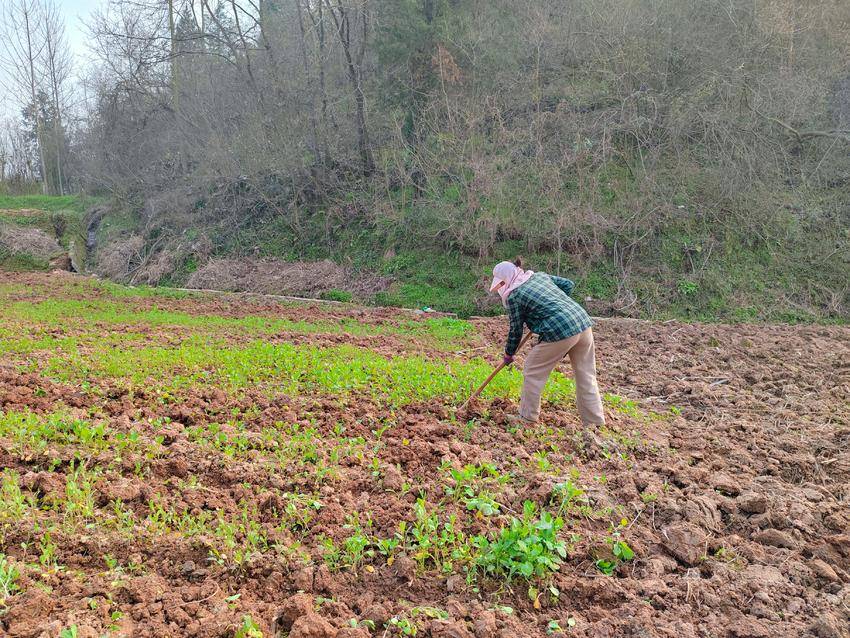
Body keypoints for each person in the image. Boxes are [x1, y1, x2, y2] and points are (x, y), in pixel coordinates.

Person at [489, 258, 605, 426]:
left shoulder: (515, 296)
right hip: (582, 322)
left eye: (501, 284)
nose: (501, 288)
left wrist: (509, 354)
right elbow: (568, 284)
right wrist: (557, 305)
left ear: (507, 278)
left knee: (532, 370)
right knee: (586, 374)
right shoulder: (539, 276)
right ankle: (595, 422)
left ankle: (527, 418)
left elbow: (515, 330)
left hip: (560, 329)